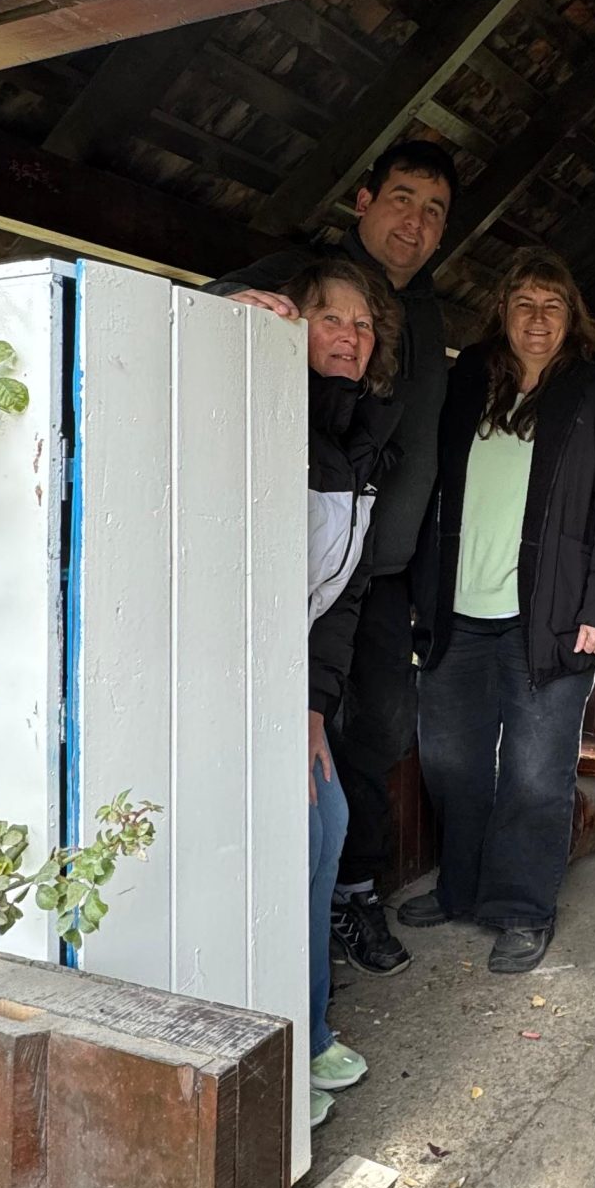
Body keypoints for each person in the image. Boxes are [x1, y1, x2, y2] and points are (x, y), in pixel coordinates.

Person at [216, 137, 456, 979]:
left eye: (434, 211)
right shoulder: (307, 273)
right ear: (364, 200)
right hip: (290, 571)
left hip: (380, 570)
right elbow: (207, 308)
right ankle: (275, 916)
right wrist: (237, 304)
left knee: (379, 726)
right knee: (285, 736)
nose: (415, 222)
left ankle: (351, 893)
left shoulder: (427, 312)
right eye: (402, 199)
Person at [411, 249, 595, 975]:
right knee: (451, 760)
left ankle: (520, 908)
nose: (538, 319)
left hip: (548, 618)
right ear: (502, 312)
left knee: (536, 773)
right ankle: (459, 887)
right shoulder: (468, 381)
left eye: (552, 305)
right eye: (524, 304)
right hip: (457, 612)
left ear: (572, 317)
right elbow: (424, 485)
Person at [218, 249, 402, 1127]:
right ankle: (275, 1053)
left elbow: (342, 601)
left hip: (290, 683)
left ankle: (311, 1029)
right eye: (331, 317)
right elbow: (158, 340)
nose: (350, 336)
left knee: (326, 824)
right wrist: (229, 302)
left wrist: (311, 713)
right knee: (290, 840)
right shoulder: (252, 400)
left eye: (363, 325)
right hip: (221, 676)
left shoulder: (359, 439)